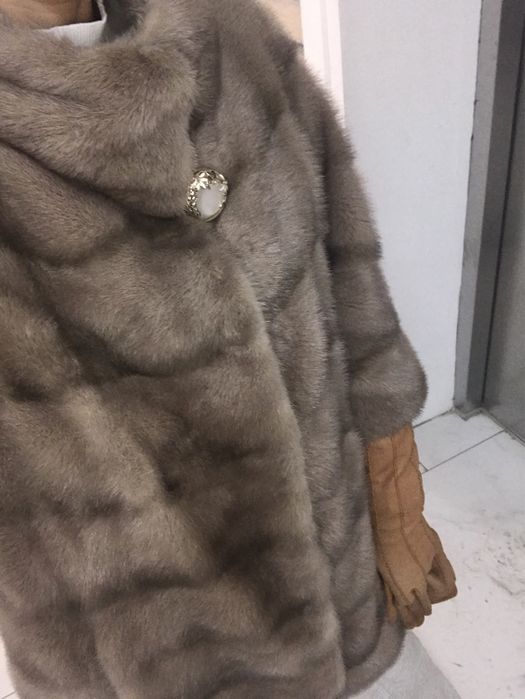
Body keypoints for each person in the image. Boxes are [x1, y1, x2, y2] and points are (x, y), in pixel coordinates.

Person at [0, 1, 458, 697]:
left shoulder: (227, 33)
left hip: (349, 597)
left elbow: (352, 281)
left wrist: (397, 500)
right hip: (152, 664)